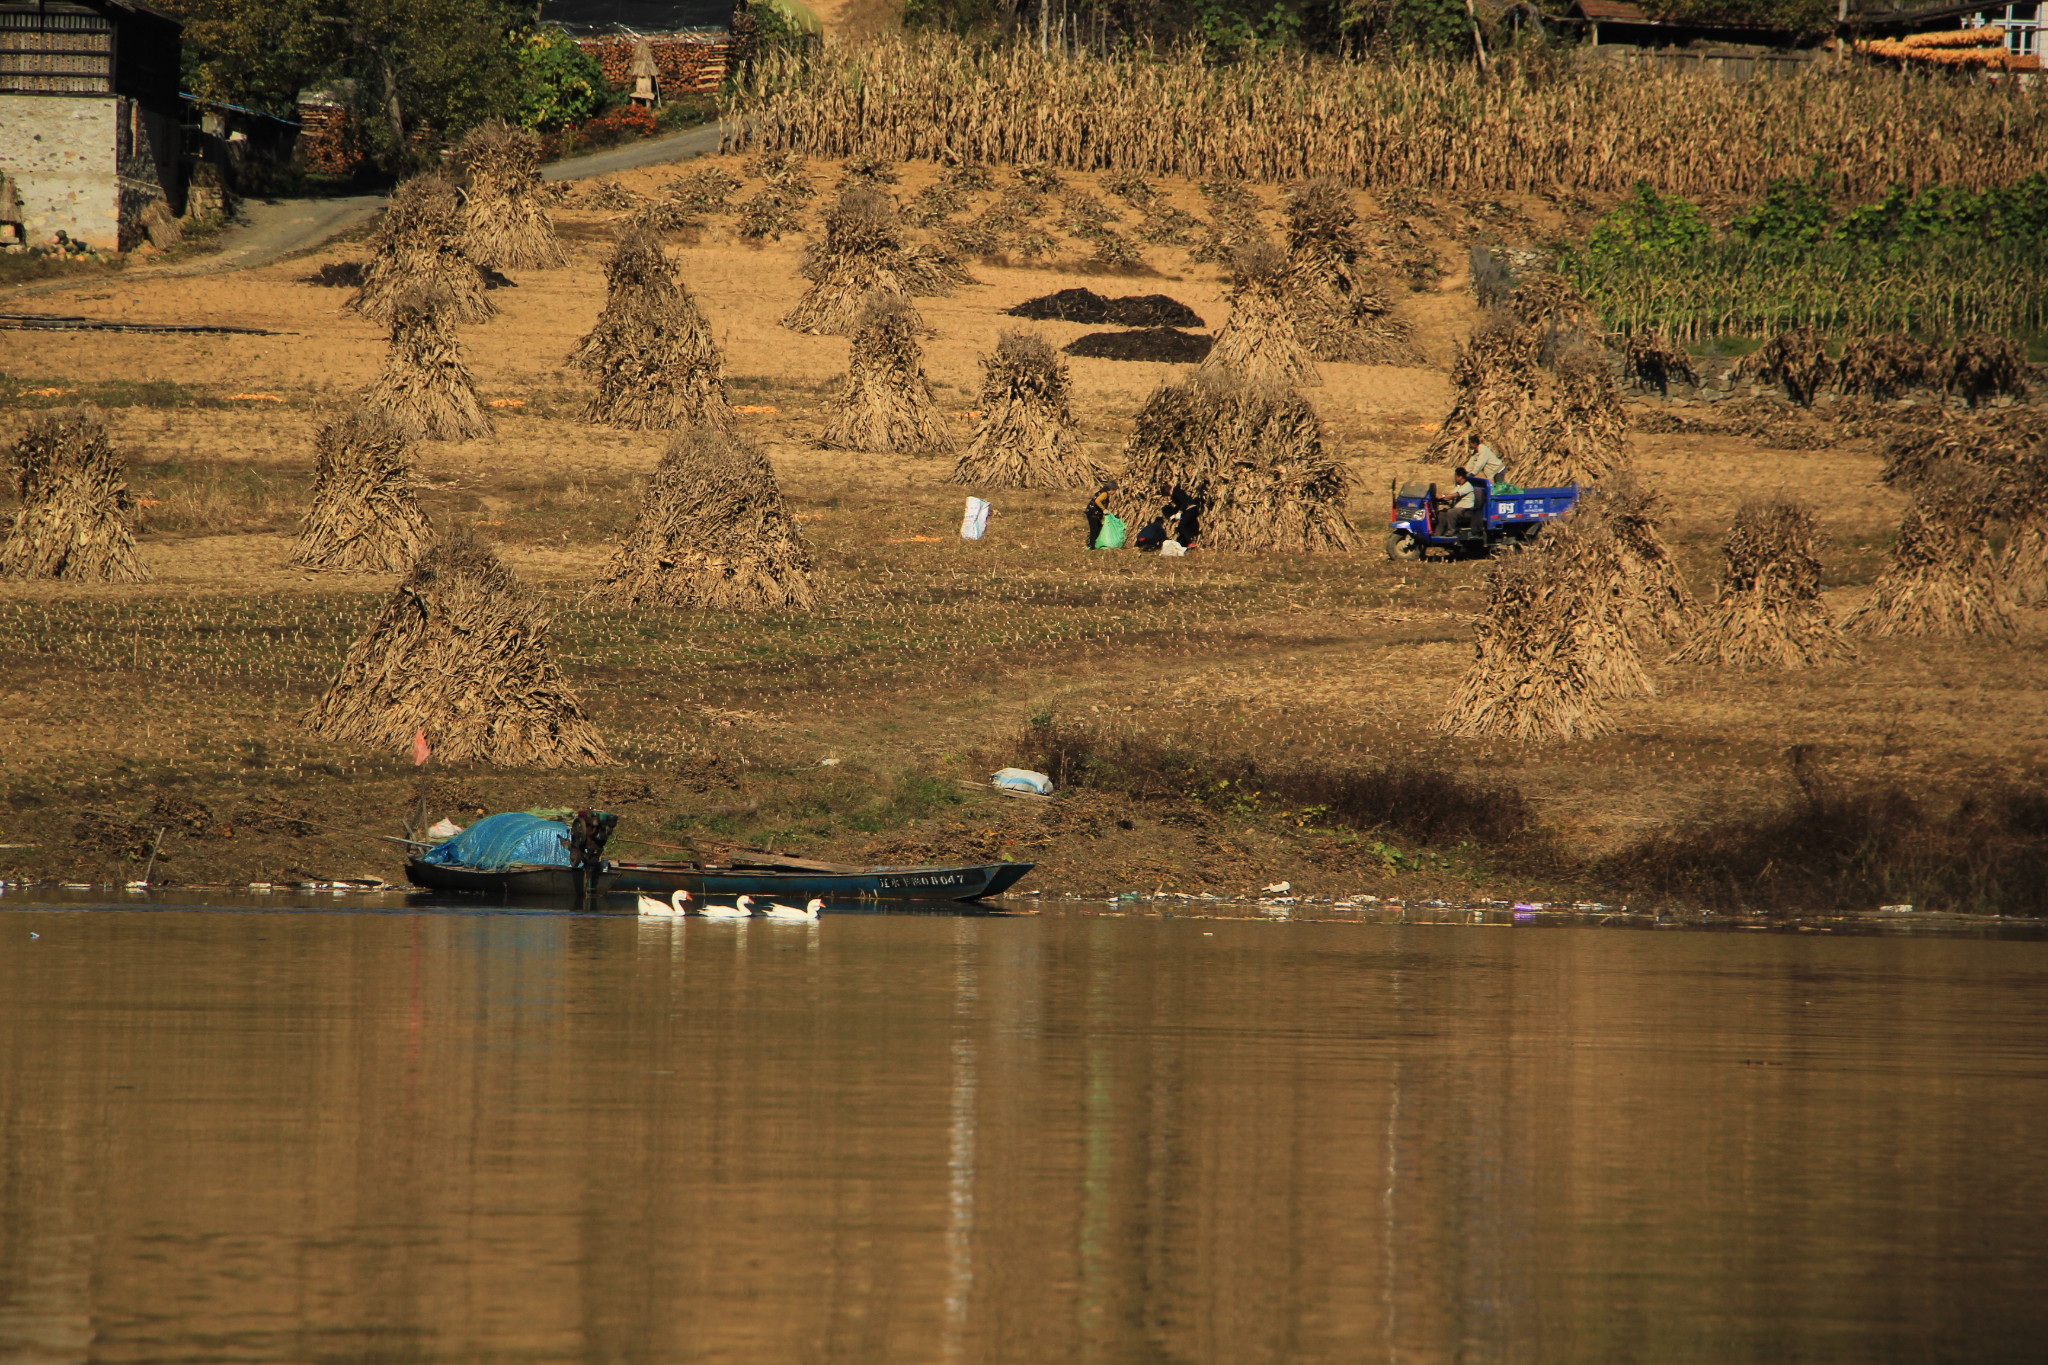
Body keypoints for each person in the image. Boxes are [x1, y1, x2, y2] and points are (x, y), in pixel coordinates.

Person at [1436, 467, 1478, 537]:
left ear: (1460, 477)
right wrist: (1442, 497)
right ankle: (1438, 534)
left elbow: (1455, 495)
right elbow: (1450, 494)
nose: (1455, 477)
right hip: (1459, 510)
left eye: (1455, 476)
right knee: (1442, 514)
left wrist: (1444, 496)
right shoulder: (1459, 486)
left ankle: (1451, 531)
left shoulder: (1468, 486)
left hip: (1467, 510)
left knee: (1451, 512)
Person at [1084, 483, 1123, 549]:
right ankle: (1092, 545)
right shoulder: (1104, 494)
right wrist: (1104, 509)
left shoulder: (1102, 491)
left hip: (1093, 513)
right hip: (1093, 513)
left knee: (1098, 527)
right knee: (1094, 529)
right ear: (1111, 490)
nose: (1114, 492)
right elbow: (1097, 501)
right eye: (1114, 491)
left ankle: (1095, 543)